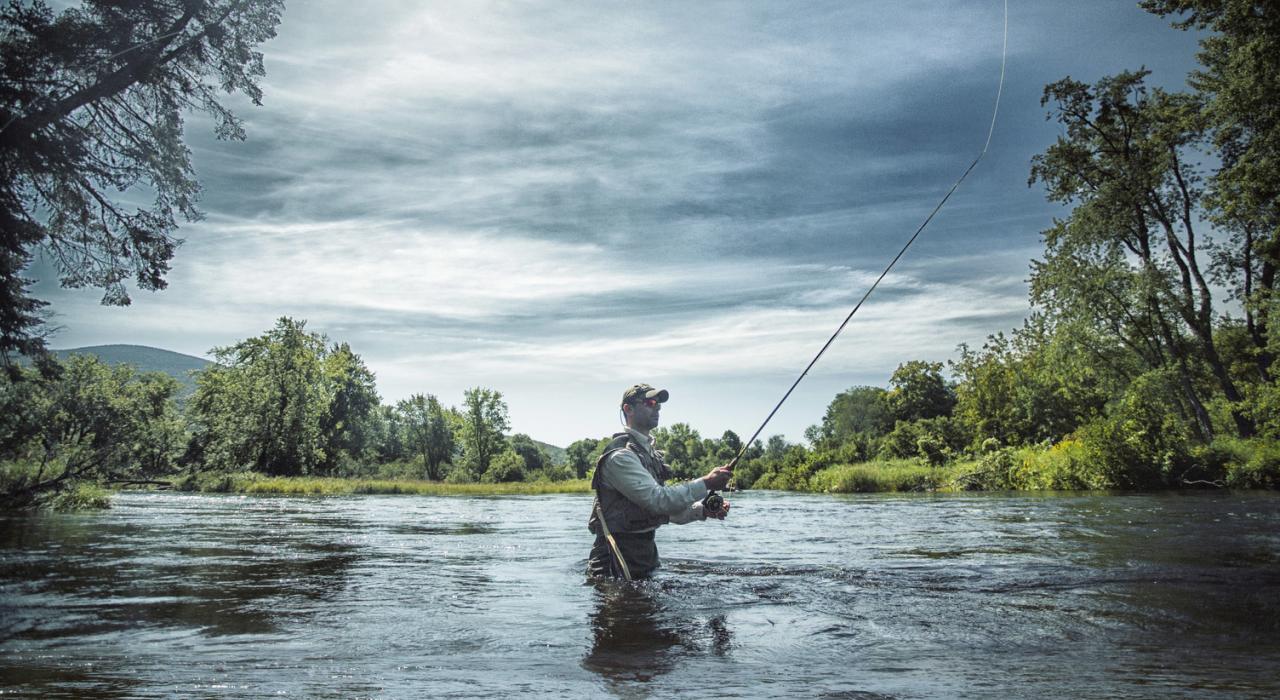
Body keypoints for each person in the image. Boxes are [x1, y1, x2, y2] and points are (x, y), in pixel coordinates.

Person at [587, 383, 733, 580]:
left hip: (646, 559)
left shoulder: (649, 455)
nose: (656, 407)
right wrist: (706, 483)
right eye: (649, 402)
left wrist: (703, 510)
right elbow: (659, 501)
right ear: (628, 409)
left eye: (658, 404)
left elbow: (663, 511)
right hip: (615, 563)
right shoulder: (620, 457)